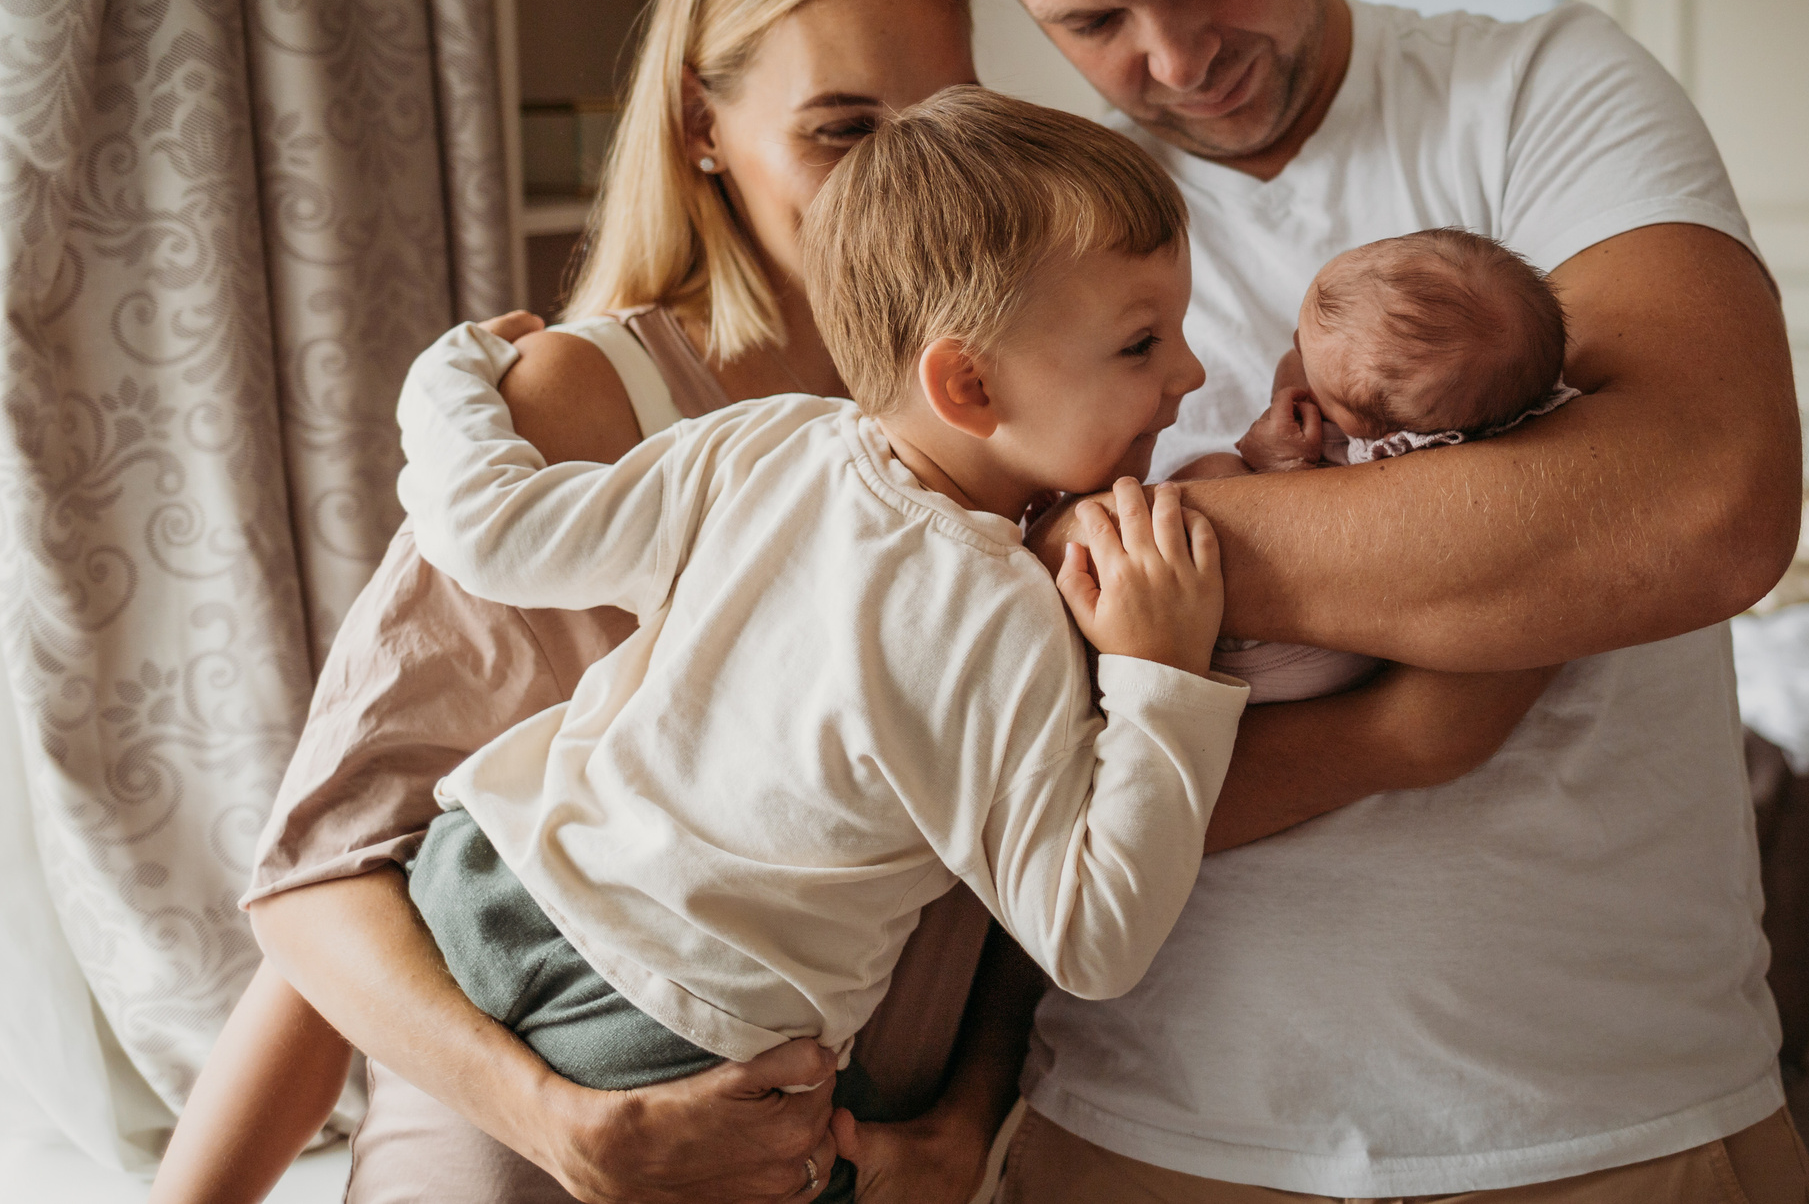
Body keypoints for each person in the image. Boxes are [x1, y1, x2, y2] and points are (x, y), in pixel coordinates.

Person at [169, 0, 1549, 1204]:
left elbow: (1026, 846)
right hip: (566, 1081)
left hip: (834, 1111)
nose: (908, 175)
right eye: (844, 128)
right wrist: (563, 1122)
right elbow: (323, 878)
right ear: (703, 126)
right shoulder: (619, 404)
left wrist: (968, 1120)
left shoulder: (1021, 440)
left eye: (940, 116)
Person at [930, 0, 1809, 1202]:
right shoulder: (1028, 230)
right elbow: (993, 727)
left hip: (1598, 1111)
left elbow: (1704, 503)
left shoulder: (1545, 94)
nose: (1178, 53)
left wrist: (1117, 556)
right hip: (1139, 1124)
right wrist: (1408, 723)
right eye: (1090, 20)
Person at [390, 89, 1239, 1123]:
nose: (1190, 374)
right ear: (966, 383)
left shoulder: (766, 442)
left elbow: (492, 533)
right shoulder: (1002, 616)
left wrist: (459, 367)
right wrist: (1163, 679)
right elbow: (1093, 939)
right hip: (674, 1031)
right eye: (1140, 344)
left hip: (481, 880)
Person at [1181, 228, 1576, 703]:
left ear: (1379, 434)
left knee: (1212, 472)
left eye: (1312, 370)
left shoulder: (1402, 463)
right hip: (1351, 630)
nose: (1294, 352)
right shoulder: (1481, 394)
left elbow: (1330, 537)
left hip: (1309, 648)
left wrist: (1283, 467)